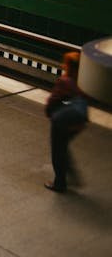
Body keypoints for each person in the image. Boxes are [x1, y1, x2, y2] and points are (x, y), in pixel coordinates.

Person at [44, 51, 88, 193]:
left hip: (62, 121)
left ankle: (59, 183)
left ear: (67, 65)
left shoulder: (65, 81)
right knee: (63, 147)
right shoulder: (83, 82)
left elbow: (53, 100)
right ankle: (70, 173)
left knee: (58, 150)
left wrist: (49, 112)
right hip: (79, 122)